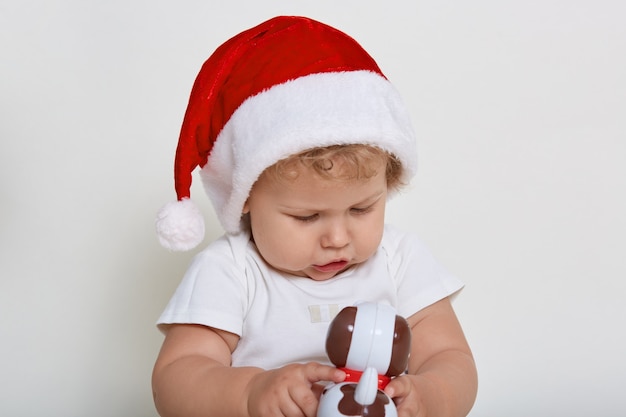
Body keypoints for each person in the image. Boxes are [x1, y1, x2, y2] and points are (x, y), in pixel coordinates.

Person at [152, 15, 477, 417]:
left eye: (362, 208)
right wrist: (250, 392)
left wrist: (434, 395)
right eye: (307, 217)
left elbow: (450, 356)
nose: (338, 238)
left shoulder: (401, 260)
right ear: (246, 196)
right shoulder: (230, 270)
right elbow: (177, 379)